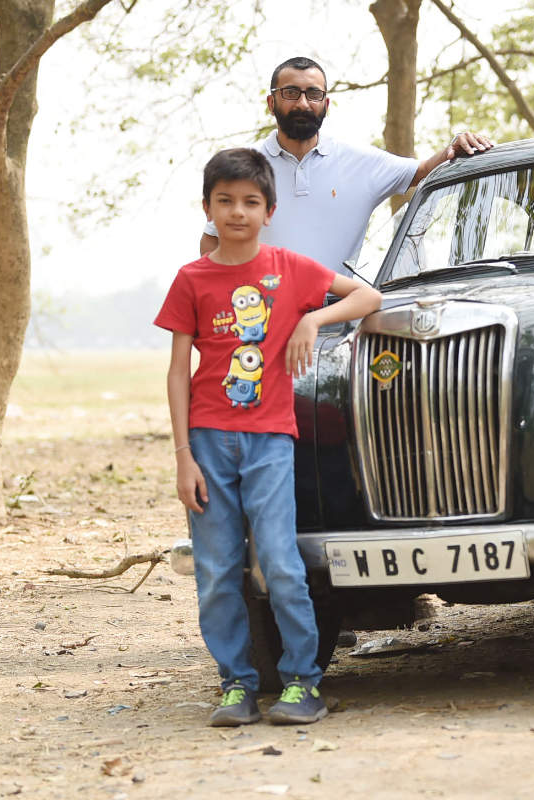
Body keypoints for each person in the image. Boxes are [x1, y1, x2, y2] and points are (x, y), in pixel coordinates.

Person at [156, 148, 382, 726]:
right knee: (217, 567)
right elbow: (178, 370)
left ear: (269, 209)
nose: (238, 212)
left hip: (270, 440)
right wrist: (183, 457)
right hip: (207, 441)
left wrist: (312, 318)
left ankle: (303, 682)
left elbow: (367, 297)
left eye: (250, 202)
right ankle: (236, 683)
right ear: (207, 208)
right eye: (225, 201)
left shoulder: (291, 268)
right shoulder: (192, 279)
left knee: (281, 561)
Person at [200, 55, 494, 275]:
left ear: (326, 105)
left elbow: (420, 171)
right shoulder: (241, 167)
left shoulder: (359, 162)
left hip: (339, 319)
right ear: (271, 102)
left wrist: (455, 146)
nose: (303, 103)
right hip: (260, 318)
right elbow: (211, 241)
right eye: (291, 93)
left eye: (313, 94)